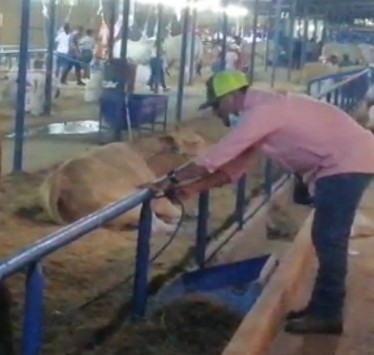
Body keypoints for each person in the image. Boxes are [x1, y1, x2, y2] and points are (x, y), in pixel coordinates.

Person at [145, 71, 374, 335]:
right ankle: (321, 307)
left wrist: (170, 178)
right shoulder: (262, 113)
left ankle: (328, 313)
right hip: (341, 163)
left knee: (330, 238)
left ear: (231, 97)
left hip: (346, 164)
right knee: (325, 237)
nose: (218, 115)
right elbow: (235, 167)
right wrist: (192, 188)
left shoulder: (263, 112)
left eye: (217, 106)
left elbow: (218, 156)